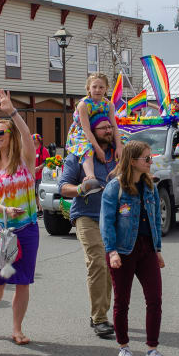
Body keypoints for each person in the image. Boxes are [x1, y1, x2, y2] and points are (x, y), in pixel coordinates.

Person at [100, 140, 170, 356]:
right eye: (147, 158)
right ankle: (124, 347)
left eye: (151, 158)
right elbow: (107, 223)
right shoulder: (115, 187)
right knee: (122, 301)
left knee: (155, 299)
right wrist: (111, 252)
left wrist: (157, 250)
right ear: (132, 161)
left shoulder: (150, 187)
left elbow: (155, 222)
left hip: (146, 248)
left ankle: (152, 350)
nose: (151, 162)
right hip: (123, 250)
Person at [0, 90, 39, 346]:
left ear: (11, 136)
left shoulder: (25, 160)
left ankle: (17, 329)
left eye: (1, 133)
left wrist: (12, 112)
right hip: (0, 230)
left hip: (26, 228)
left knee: (23, 281)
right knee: (0, 277)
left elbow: (27, 135)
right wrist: (4, 210)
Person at [58, 118, 118, 338]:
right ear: (91, 132)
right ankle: (99, 318)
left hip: (113, 218)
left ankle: (104, 312)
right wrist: (82, 188)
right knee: (97, 262)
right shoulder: (78, 155)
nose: (108, 130)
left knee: (112, 265)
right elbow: (63, 187)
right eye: (103, 128)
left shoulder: (116, 153)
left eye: (110, 127)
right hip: (86, 215)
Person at [66, 73, 124, 195]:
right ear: (88, 89)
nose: (98, 90)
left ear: (106, 89)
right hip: (82, 132)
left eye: (101, 87)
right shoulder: (83, 104)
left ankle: (128, 173)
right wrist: (98, 149)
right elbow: (86, 129)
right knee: (87, 149)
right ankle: (91, 178)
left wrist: (118, 146)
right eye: (94, 87)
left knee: (125, 143)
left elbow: (114, 126)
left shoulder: (109, 104)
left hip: (102, 130)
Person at [33, 133, 50, 215]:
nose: (33, 140)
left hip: (40, 175)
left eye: (34, 139)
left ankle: (41, 209)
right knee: (34, 193)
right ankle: (38, 208)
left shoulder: (43, 150)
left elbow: (46, 161)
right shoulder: (31, 149)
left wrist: (39, 168)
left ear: (38, 140)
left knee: (39, 191)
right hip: (33, 175)